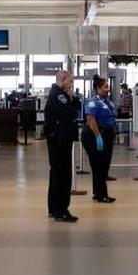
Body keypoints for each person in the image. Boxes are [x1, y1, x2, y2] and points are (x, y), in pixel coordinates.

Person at [44, 71, 81, 222]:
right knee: (63, 175)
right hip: (60, 140)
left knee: (56, 173)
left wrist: (72, 97)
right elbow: (72, 113)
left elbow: (77, 107)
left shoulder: (61, 94)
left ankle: (54, 208)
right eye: (70, 81)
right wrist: (70, 98)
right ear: (62, 79)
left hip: (59, 139)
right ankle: (61, 210)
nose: (71, 85)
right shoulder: (58, 95)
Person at [81, 75, 117, 203]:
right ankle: (102, 195)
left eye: (108, 87)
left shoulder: (107, 101)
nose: (108, 89)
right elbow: (91, 119)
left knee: (104, 164)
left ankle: (98, 193)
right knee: (99, 165)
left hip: (107, 135)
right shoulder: (93, 102)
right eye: (105, 87)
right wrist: (98, 137)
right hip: (94, 135)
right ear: (97, 88)